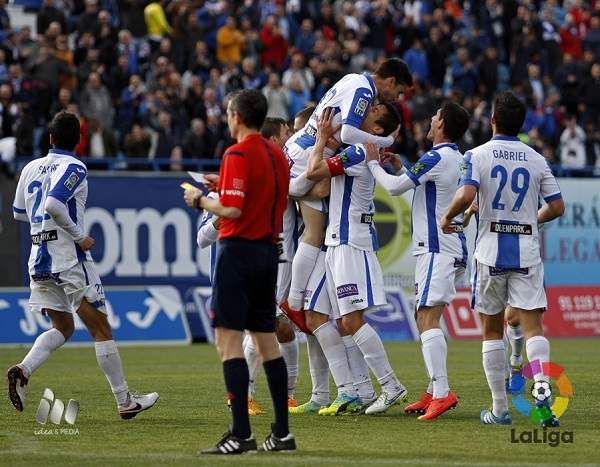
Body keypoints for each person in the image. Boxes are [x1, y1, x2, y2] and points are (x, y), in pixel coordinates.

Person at [8, 111, 158, 419]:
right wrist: (79, 235)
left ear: (49, 138)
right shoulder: (74, 165)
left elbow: (19, 213)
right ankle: (125, 401)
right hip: (67, 258)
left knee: (63, 327)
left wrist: (44, 226)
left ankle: (23, 371)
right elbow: (53, 203)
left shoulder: (30, 167)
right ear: (79, 140)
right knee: (101, 328)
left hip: (38, 256)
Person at [440, 90, 565, 426]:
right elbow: (557, 206)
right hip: (527, 252)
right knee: (534, 328)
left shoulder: (477, 155)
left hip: (489, 253)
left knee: (492, 330)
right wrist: (530, 221)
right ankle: (542, 402)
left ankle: (500, 410)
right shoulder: (537, 159)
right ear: (521, 124)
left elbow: (466, 194)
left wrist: (448, 216)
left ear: (493, 120)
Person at [183, 89, 295, 454]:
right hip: (267, 254)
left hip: (239, 252)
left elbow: (230, 211)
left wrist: (200, 199)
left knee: (227, 341)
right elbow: (259, 195)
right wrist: (223, 186)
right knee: (266, 342)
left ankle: (241, 434)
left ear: (238, 116)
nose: (227, 118)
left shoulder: (236, 152)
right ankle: (281, 433)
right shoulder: (277, 154)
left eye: (229, 112)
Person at [365, 100, 471, 420]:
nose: (431, 120)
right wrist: (400, 168)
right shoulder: (458, 159)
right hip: (447, 246)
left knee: (426, 318)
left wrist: (373, 164)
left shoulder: (436, 156)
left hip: (439, 248)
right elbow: (425, 192)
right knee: (422, 315)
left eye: (436, 117)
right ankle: (433, 389)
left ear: (441, 126)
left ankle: (442, 392)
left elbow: (397, 190)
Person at [284, 57, 413, 313]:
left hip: (301, 149)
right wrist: (383, 141)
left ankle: (297, 298)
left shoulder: (352, 79)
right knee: (314, 231)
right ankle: (295, 300)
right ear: (390, 81)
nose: (396, 98)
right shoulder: (364, 90)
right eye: (398, 91)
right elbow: (348, 134)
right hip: (308, 154)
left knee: (300, 223)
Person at [305, 105, 409, 415]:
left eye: (374, 110)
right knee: (344, 321)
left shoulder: (361, 151)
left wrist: (322, 138)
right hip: (341, 241)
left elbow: (312, 173)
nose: (364, 110)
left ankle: (391, 386)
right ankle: (362, 392)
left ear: (377, 128)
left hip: (351, 242)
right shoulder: (362, 149)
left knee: (351, 320)